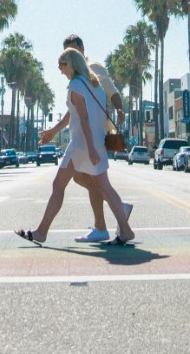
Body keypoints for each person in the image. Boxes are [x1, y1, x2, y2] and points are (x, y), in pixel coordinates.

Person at [17, 48, 134, 248]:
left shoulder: (76, 86)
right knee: (101, 186)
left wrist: (90, 148)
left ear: (71, 64)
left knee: (61, 185)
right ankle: (125, 230)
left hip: (82, 143)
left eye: (61, 64)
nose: (59, 68)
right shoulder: (94, 84)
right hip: (94, 140)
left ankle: (41, 232)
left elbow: (84, 118)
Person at [40, 34, 122, 242]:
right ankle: (114, 216)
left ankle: (103, 224)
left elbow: (108, 93)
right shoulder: (81, 79)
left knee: (81, 183)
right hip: (91, 137)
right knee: (87, 180)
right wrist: (54, 131)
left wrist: (119, 109)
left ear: (80, 51)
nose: (61, 65)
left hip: (86, 139)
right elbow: (75, 112)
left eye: (68, 56)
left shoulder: (91, 73)